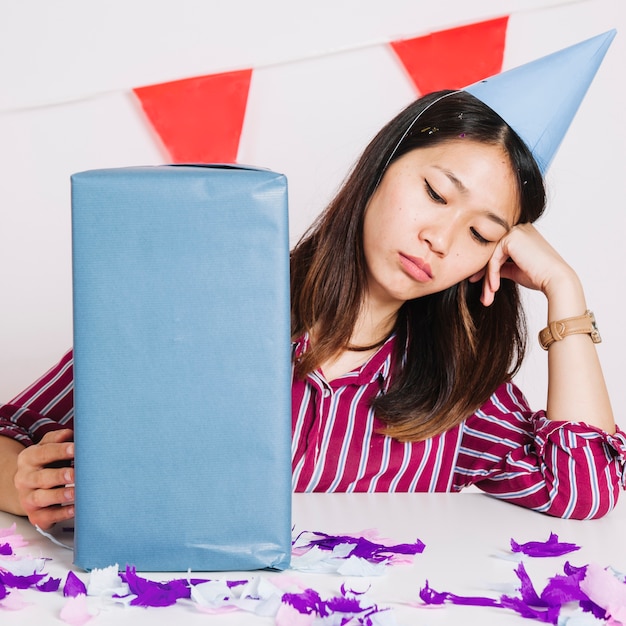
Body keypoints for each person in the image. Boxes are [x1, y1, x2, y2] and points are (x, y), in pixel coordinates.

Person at [1, 35, 625, 530]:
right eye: (436, 193)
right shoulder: (195, 310)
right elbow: (12, 435)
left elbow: (589, 490)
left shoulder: (459, 390)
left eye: (482, 234)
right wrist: (23, 482)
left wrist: (565, 290)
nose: (441, 239)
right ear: (381, 166)